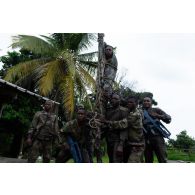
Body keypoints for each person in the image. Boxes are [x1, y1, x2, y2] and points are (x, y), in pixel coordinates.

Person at [103, 96, 145, 163]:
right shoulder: (130, 112)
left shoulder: (136, 114)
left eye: (131, 102)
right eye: (128, 102)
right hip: (131, 143)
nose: (129, 104)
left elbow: (123, 124)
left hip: (138, 144)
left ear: (136, 104)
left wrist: (107, 122)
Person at [142, 97, 171, 163]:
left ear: (151, 103)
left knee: (162, 159)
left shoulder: (156, 110)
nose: (146, 102)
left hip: (158, 137)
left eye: (148, 101)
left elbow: (168, 118)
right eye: (144, 101)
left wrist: (158, 116)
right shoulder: (139, 111)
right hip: (146, 138)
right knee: (148, 160)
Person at [103, 93, 128, 163]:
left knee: (116, 160)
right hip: (109, 139)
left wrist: (121, 144)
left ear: (120, 100)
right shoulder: (108, 111)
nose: (113, 100)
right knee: (111, 160)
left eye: (116, 99)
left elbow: (125, 128)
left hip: (118, 139)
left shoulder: (124, 111)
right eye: (112, 98)